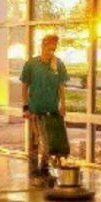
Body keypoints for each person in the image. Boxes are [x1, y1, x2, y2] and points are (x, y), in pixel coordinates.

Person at [20, 34, 69, 178]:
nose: (51, 51)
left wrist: (63, 105)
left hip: (52, 110)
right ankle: (39, 167)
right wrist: (25, 107)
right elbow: (24, 86)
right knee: (39, 138)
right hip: (35, 109)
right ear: (43, 46)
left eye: (54, 49)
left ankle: (45, 166)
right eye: (49, 48)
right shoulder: (31, 64)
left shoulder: (58, 65)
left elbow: (61, 87)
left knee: (51, 139)